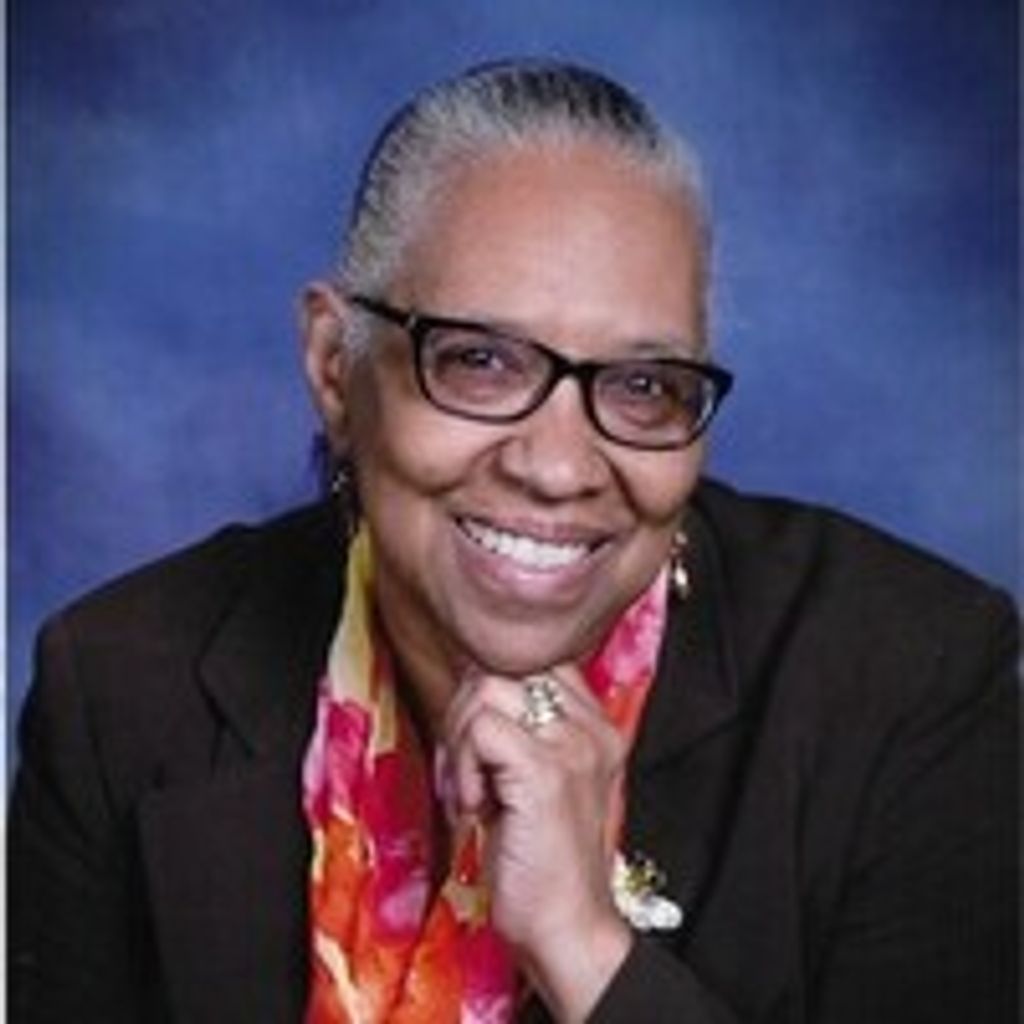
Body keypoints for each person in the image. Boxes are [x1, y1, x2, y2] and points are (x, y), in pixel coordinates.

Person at [9, 59, 1017, 1024]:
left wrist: (584, 948)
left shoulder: (909, 682)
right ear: (333, 367)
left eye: (644, 385)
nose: (559, 466)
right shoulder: (124, 687)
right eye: (480, 361)